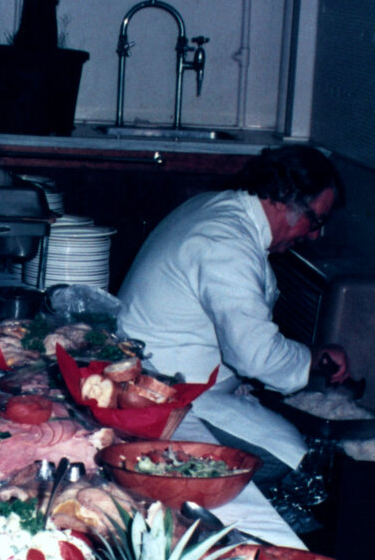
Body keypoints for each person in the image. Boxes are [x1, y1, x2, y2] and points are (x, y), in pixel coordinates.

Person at [115, 145, 352, 471]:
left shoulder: (220, 207)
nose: (314, 235)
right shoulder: (227, 242)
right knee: (294, 461)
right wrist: (313, 357)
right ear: (283, 197)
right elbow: (255, 355)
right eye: (315, 221)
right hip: (171, 398)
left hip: (169, 379)